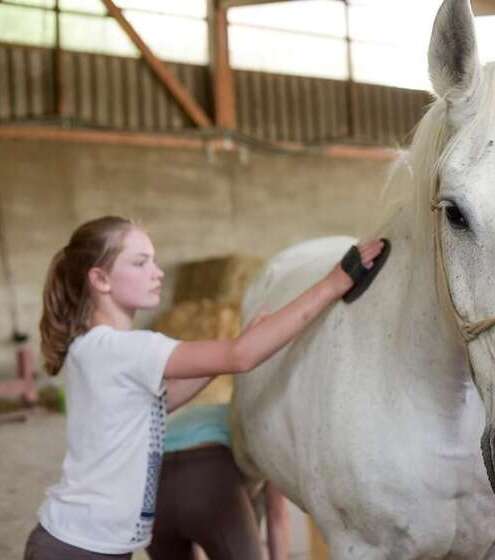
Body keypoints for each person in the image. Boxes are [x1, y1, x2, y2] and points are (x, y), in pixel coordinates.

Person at [23, 216, 387, 560]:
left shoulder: (93, 348)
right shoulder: (127, 349)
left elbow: (156, 405)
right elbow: (242, 357)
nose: (157, 272)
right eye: (140, 263)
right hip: (79, 549)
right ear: (100, 279)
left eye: (154, 261)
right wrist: (333, 283)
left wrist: (222, 358)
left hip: (77, 542)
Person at [147, 403, 290, 560]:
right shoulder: (252, 417)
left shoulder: (181, 396)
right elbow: (276, 514)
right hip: (209, 470)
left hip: (153, 483)